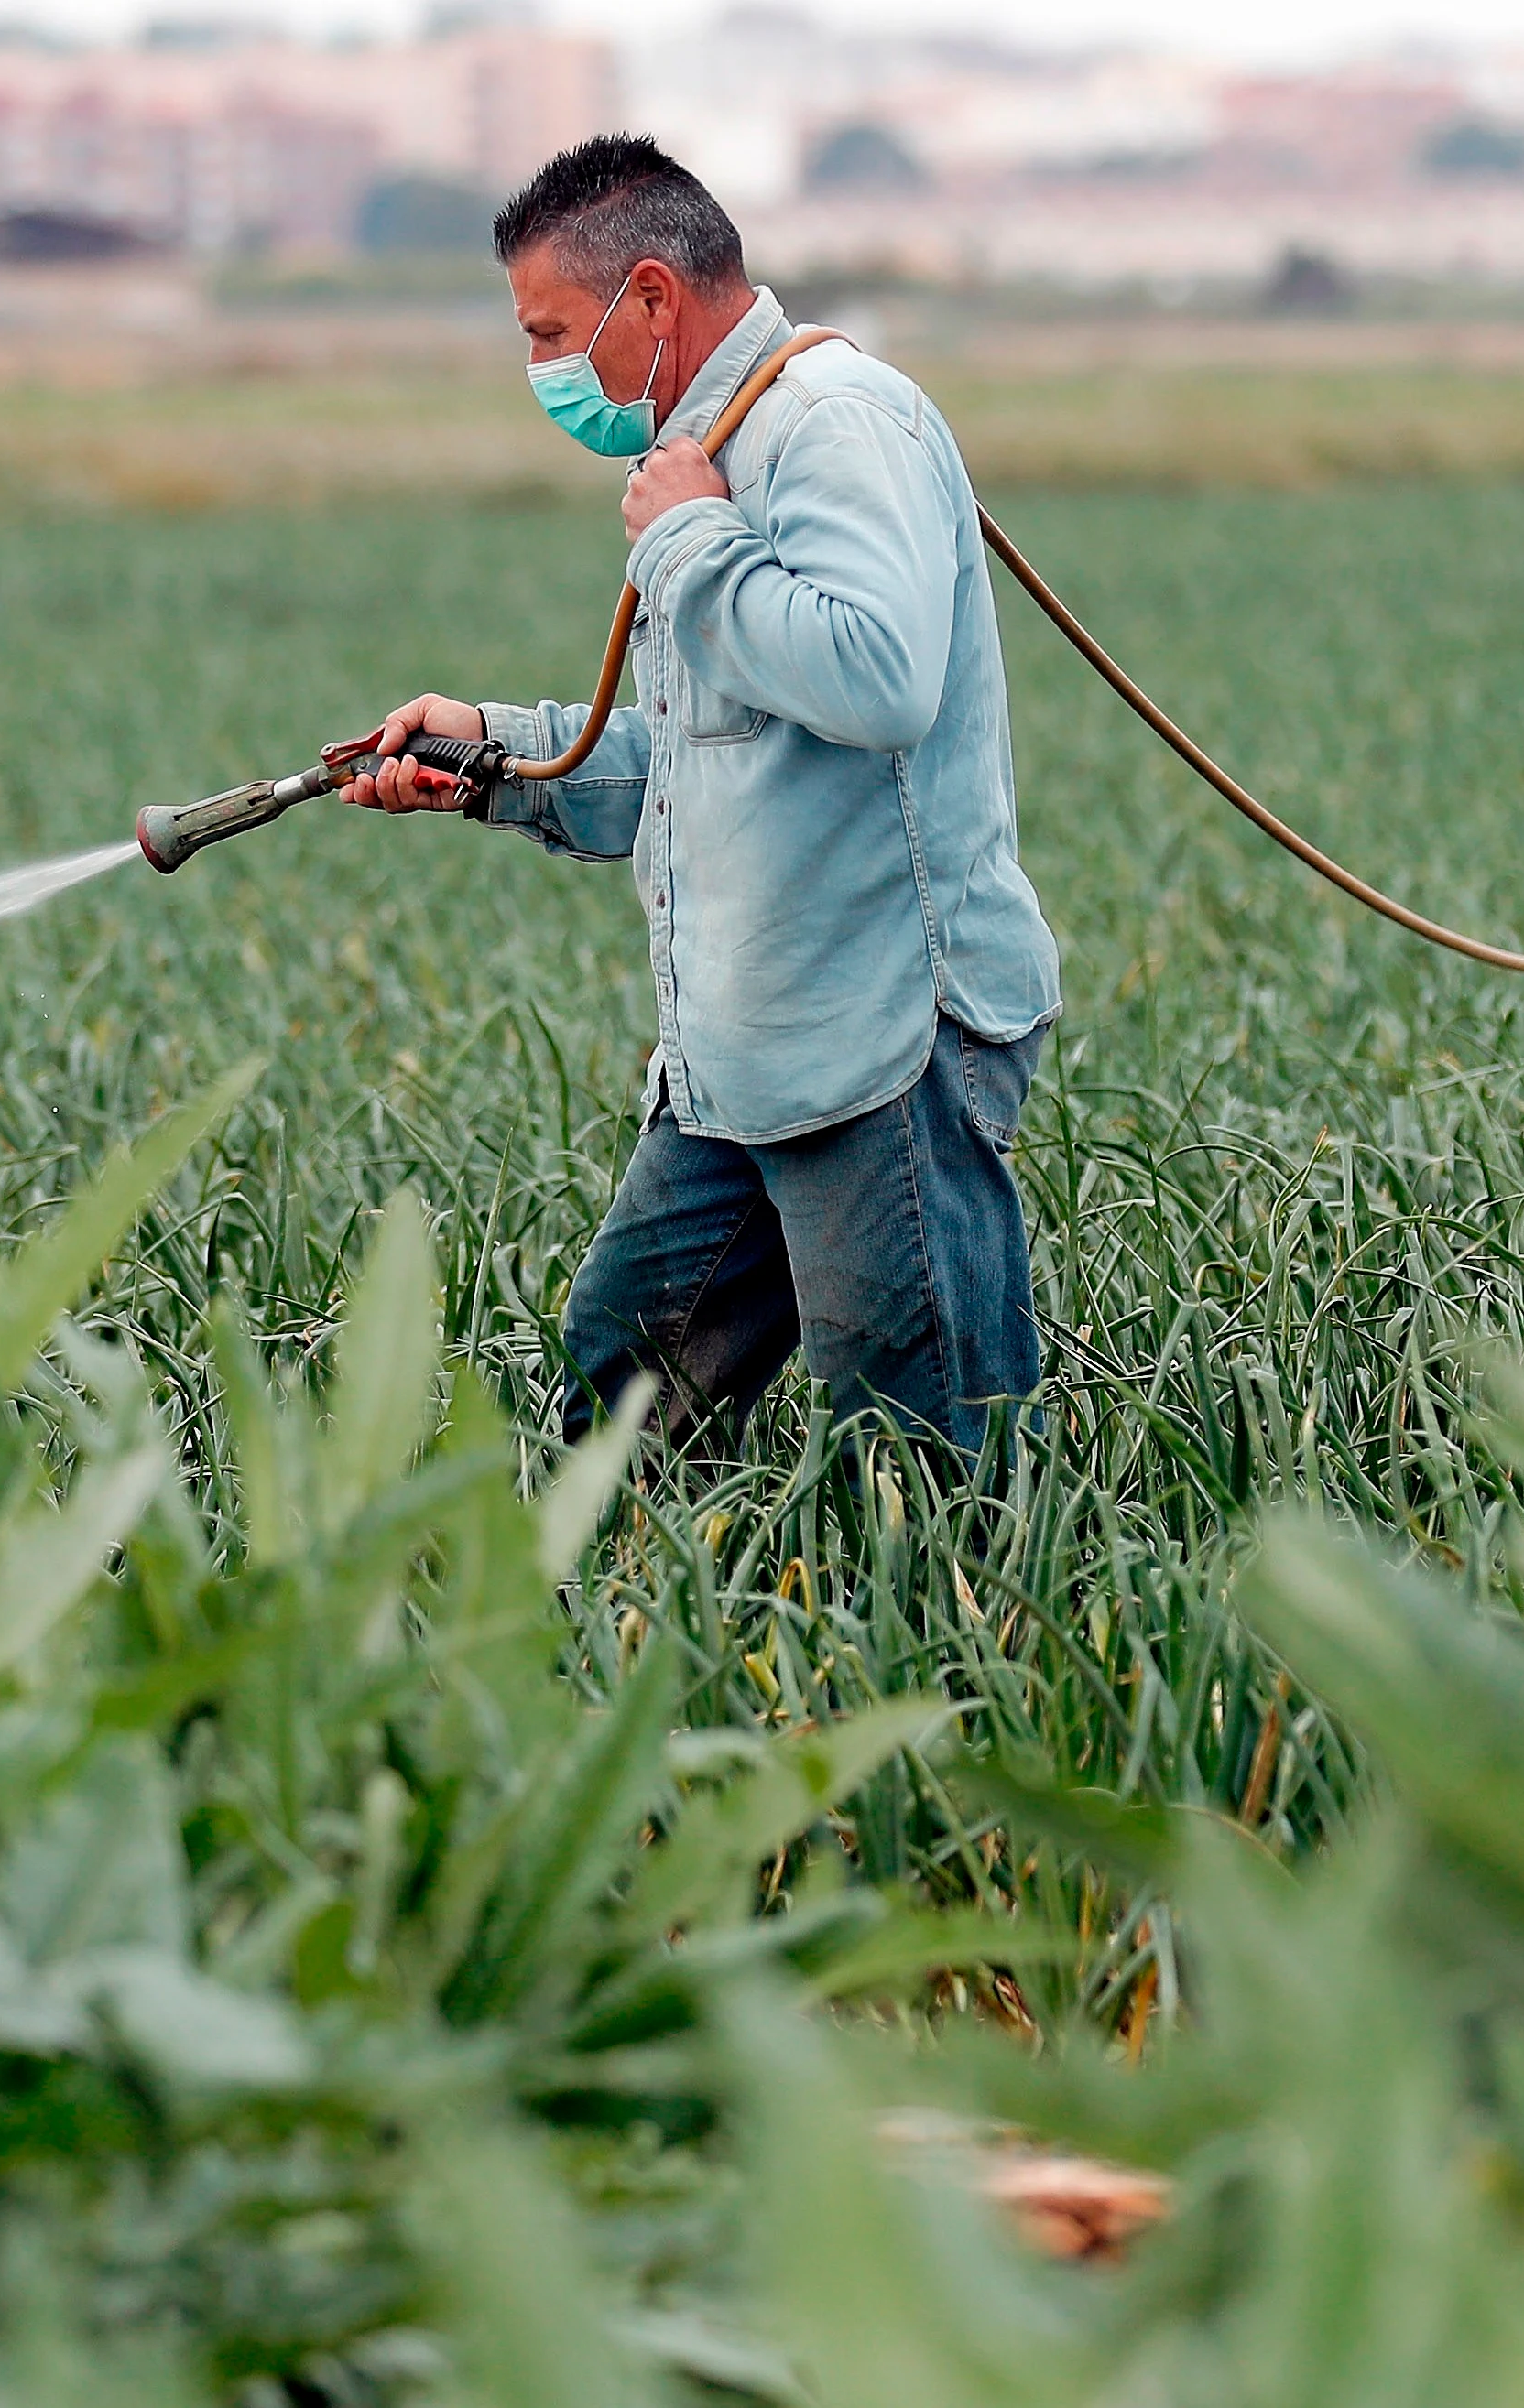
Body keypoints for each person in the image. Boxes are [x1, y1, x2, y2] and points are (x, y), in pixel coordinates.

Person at [341, 135, 1060, 1459]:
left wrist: (688, 539)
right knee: (619, 1380)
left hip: (881, 1035)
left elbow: (879, 677)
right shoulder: (709, 450)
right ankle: (641, 1637)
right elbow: (702, 757)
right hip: (747, 1052)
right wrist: (489, 756)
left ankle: (979, 1654)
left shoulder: (835, 423)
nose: (544, 372)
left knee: (925, 1448)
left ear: (655, 299)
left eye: (555, 333)